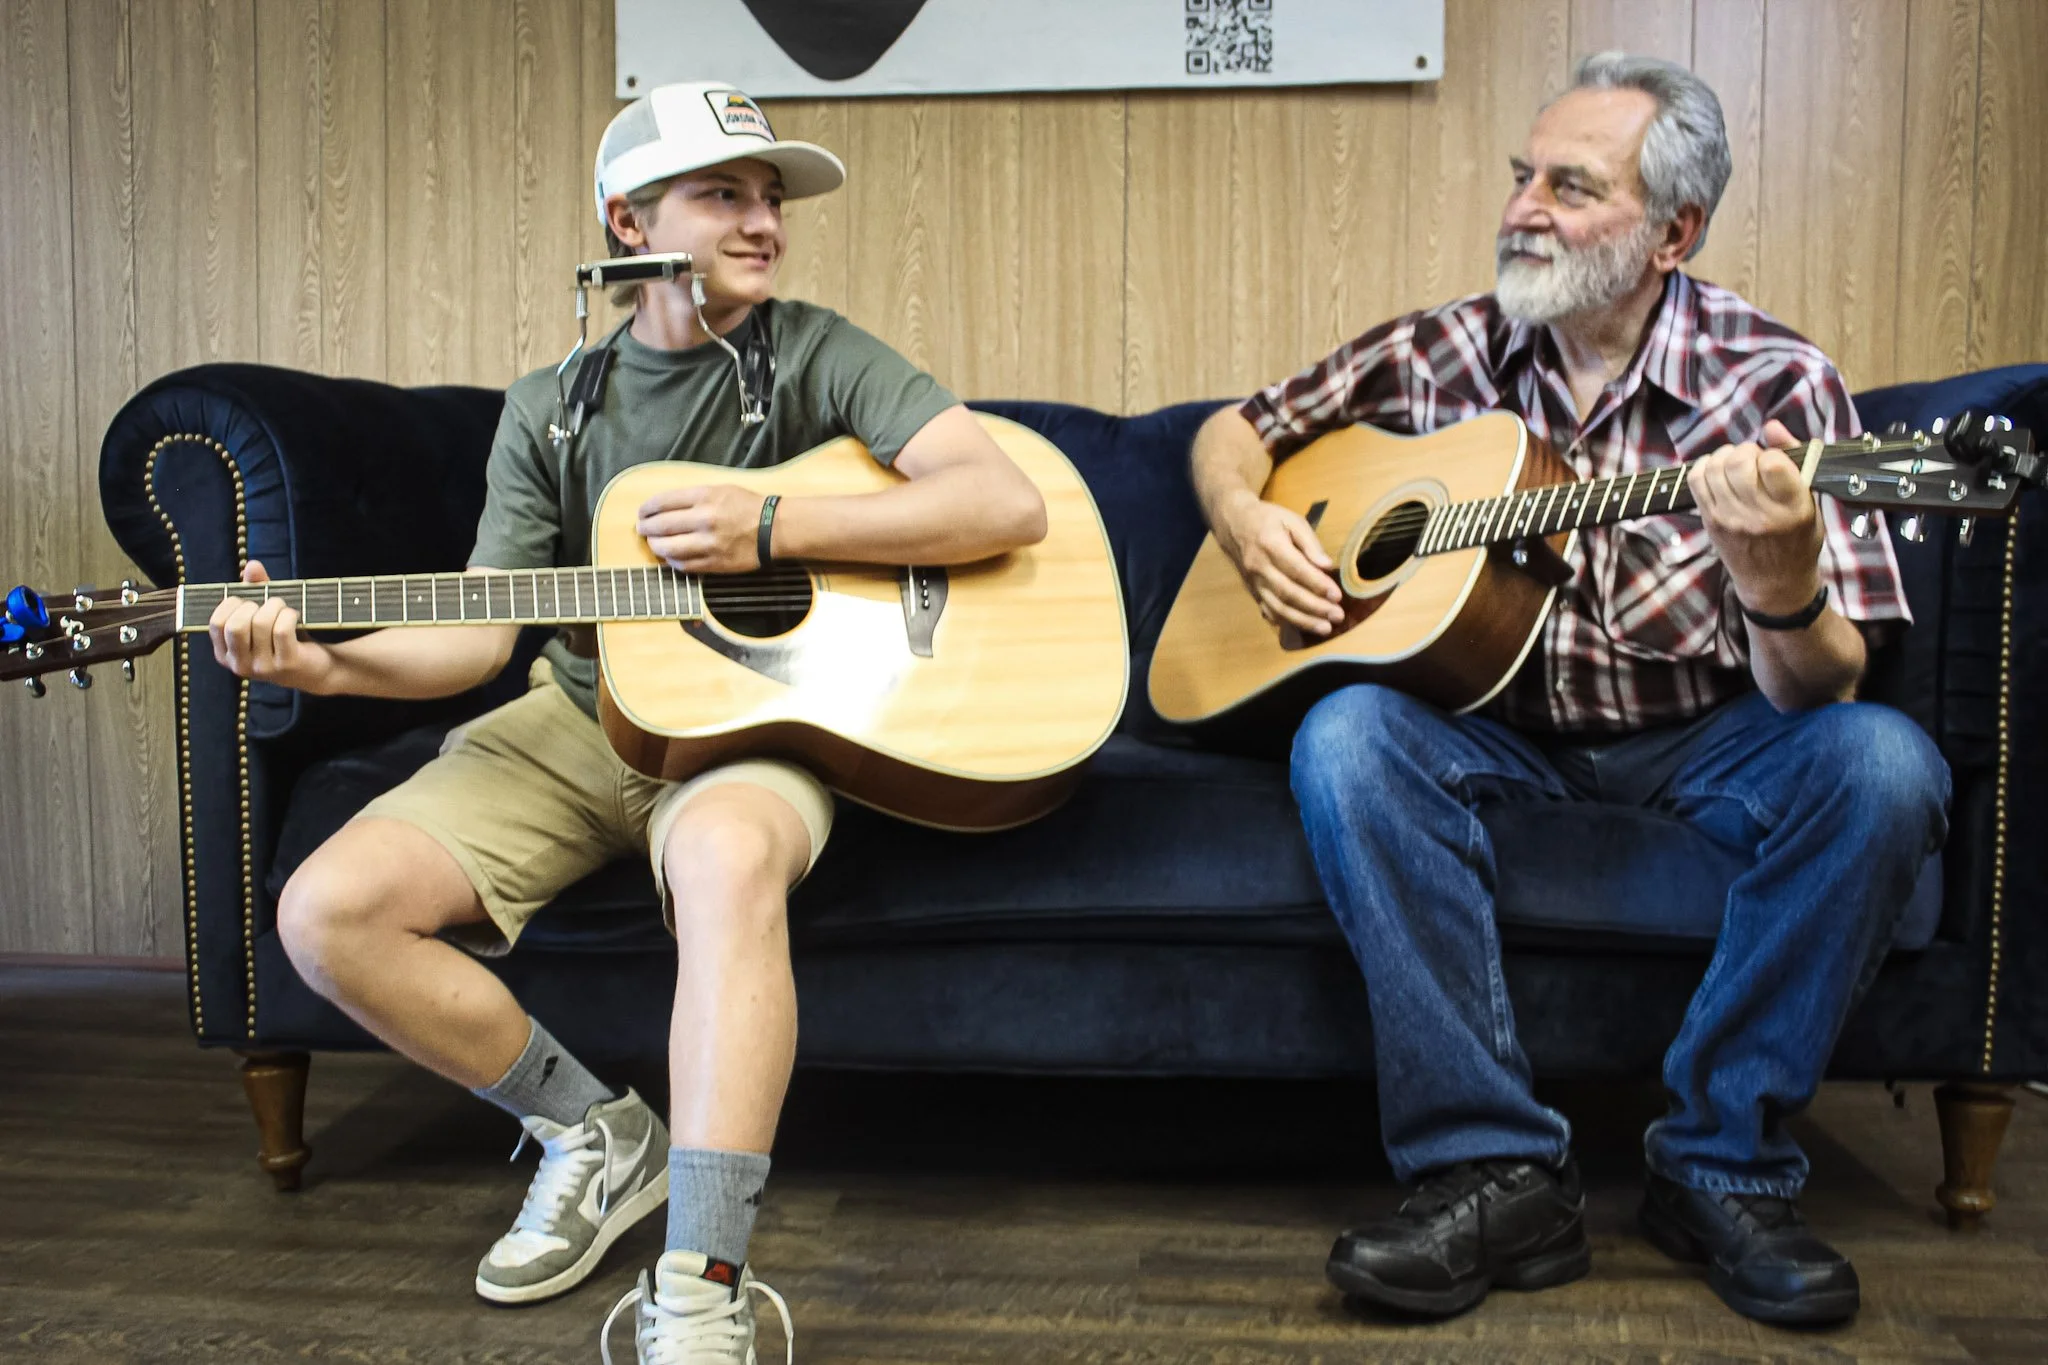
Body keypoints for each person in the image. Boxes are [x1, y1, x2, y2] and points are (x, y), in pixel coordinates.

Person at [207, 80, 1046, 1362]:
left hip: (755, 733)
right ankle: (593, 1133)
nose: (765, 222)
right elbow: (484, 630)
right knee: (323, 915)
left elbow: (1003, 504)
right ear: (629, 220)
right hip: (581, 721)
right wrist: (324, 670)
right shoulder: (548, 407)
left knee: (723, 859)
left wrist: (774, 524)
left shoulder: (820, 353)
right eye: (727, 194)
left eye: (772, 198)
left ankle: (700, 1283)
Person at [1189, 52, 1947, 1326]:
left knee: (1883, 766)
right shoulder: (1447, 347)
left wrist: (1776, 582)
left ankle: (1718, 1166)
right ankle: (1490, 1171)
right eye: (1520, 177)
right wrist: (1237, 518)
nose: (1521, 209)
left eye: (1568, 186)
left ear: (1671, 232)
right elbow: (1239, 427)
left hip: (1706, 735)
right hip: (1488, 729)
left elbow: (1826, 684)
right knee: (1345, 736)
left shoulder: (1773, 389)